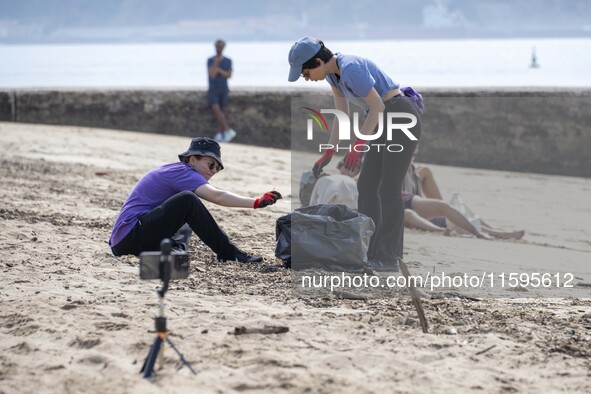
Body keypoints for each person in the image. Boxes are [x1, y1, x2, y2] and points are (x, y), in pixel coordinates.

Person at [288, 36, 422, 271]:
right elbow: (342, 115)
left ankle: (389, 257)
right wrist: (328, 152)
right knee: (367, 187)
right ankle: (370, 251)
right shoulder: (333, 75)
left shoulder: (351, 68)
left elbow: (378, 105)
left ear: (318, 61)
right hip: (382, 120)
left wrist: (357, 146)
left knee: (390, 189)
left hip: (400, 116)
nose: (307, 78)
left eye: (305, 73)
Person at [109, 137, 282, 262]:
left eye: (218, 168)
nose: (213, 171)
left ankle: (175, 251)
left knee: (186, 212)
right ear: (192, 159)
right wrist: (256, 202)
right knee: (188, 200)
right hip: (130, 239)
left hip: (130, 240)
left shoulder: (178, 172)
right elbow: (218, 196)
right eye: (211, 164)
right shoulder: (184, 172)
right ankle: (229, 253)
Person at [403, 158, 525, 239]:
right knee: (450, 213)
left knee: (456, 207)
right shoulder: (397, 171)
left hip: (425, 209)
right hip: (414, 210)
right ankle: (495, 232)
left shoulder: (417, 171)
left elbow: (438, 201)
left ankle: (494, 230)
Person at [207, 39, 237, 143]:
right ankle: (227, 131)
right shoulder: (210, 60)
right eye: (217, 45)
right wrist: (216, 64)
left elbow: (229, 75)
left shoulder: (228, 60)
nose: (219, 47)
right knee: (216, 109)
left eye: (221, 45)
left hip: (223, 88)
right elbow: (212, 74)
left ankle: (220, 134)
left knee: (221, 111)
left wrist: (219, 70)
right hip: (213, 89)